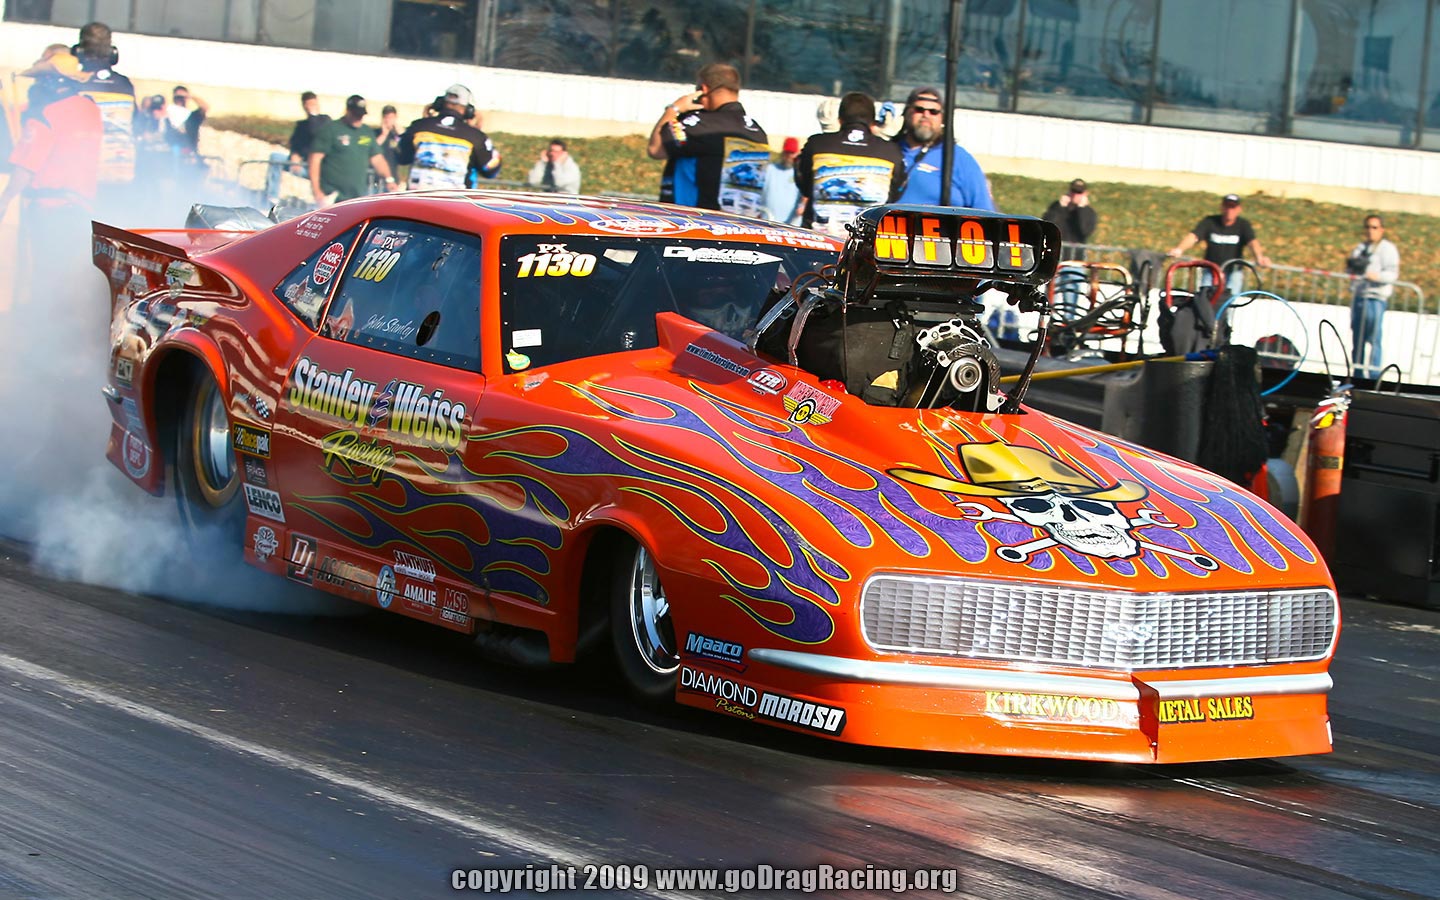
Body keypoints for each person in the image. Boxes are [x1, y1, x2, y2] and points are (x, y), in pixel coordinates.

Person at [0, 48, 102, 304]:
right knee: (66, 277)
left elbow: (25, 168)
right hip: (83, 207)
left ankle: (38, 325)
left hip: (49, 208)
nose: (35, 87)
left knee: (43, 277)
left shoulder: (45, 115)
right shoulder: (91, 110)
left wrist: (5, 200)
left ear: (54, 84)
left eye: (39, 81)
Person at [647, 62, 769, 214]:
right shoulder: (757, 132)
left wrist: (674, 109)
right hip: (740, 227)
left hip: (694, 223)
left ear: (703, 90)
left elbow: (655, 149)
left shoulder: (700, 126)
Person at [795, 92, 904, 238]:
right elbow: (896, 193)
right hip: (866, 247)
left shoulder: (817, 144)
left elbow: (804, 184)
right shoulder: (891, 150)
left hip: (819, 244)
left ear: (839, 120)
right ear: (873, 123)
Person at [894, 87, 993, 210]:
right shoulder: (888, 150)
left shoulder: (958, 158)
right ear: (906, 113)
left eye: (933, 112)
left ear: (942, 118)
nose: (926, 115)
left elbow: (984, 209)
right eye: (919, 110)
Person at [72, 22, 136, 203]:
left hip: (84, 174)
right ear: (112, 53)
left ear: (79, 52)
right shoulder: (125, 85)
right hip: (121, 172)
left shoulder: (75, 84)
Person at [398, 84, 499, 191]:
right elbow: (491, 169)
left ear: (439, 104)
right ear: (469, 111)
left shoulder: (418, 127)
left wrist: (425, 121)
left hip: (417, 200)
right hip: (454, 204)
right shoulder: (475, 136)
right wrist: (479, 133)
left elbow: (401, 157)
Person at [1167, 193, 1271, 296]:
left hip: (1233, 272)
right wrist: (1179, 249)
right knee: (1206, 298)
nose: (1229, 211)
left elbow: (1252, 242)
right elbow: (1194, 236)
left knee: (1230, 301)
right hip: (1211, 270)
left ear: (1239, 209)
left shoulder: (1243, 225)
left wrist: (1259, 257)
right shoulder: (1210, 222)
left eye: (1233, 207)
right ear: (1222, 207)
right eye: (1227, 207)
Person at [310, 95, 396, 205]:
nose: (358, 118)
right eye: (355, 114)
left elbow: (377, 158)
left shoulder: (366, 132)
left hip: (356, 196)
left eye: (361, 115)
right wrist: (316, 190)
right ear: (347, 111)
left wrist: (389, 179)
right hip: (331, 194)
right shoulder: (331, 129)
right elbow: (315, 159)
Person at [1347, 214, 1400, 380]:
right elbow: (1351, 270)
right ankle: (1357, 373)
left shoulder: (1387, 249)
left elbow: (1392, 273)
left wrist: (1376, 276)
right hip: (1360, 297)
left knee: (1374, 338)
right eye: (1368, 227)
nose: (1371, 231)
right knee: (1358, 338)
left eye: (1375, 227)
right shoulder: (1360, 248)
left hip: (1376, 299)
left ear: (1382, 230)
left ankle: (1374, 375)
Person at [1043, 178, 1099, 317]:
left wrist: (1082, 209)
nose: (1075, 195)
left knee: (1070, 301)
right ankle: (1048, 328)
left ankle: (1066, 330)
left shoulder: (1088, 212)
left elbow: (1085, 230)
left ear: (1085, 194)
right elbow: (1049, 225)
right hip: (1055, 259)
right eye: (1073, 192)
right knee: (1049, 299)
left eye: (1079, 193)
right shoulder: (1058, 207)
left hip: (1074, 261)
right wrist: (1060, 208)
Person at [760, 136, 801, 225]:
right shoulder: (770, 169)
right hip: (767, 220)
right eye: (787, 152)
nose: (789, 156)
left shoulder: (800, 173)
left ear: (797, 154)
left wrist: (802, 207)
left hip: (791, 224)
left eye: (792, 153)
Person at [287, 91, 331, 170]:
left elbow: (315, 132)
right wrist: (294, 155)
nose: (313, 107)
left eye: (314, 104)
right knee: (275, 157)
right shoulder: (302, 125)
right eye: (310, 105)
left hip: (318, 167)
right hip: (301, 164)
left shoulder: (326, 120)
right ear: (305, 106)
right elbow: (294, 143)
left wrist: (313, 115)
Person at [164, 85, 207, 155]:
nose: (180, 99)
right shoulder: (168, 111)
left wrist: (190, 96)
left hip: (189, 152)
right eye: (177, 97)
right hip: (171, 151)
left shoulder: (192, 116)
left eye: (182, 97)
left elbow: (205, 107)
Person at [376, 104, 402, 174]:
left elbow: (404, 151)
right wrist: (383, 135)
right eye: (386, 117)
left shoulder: (397, 134)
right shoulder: (375, 133)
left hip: (393, 172)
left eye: (391, 117)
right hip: (377, 173)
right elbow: (372, 148)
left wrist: (401, 135)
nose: (388, 120)